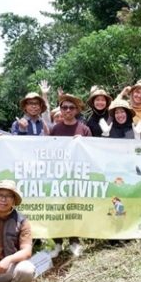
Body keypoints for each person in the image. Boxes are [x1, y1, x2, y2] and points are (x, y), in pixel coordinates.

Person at [49, 94, 90, 256]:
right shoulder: (55, 129)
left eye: (71, 107)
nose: (67, 110)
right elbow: (48, 151)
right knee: (57, 208)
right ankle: (57, 243)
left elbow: (92, 153)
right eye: (64, 107)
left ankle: (74, 241)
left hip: (77, 176)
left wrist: (84, 142)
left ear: (77, 110)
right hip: (58, 175)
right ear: (60, 110)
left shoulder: (84, 129)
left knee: (74, 207)